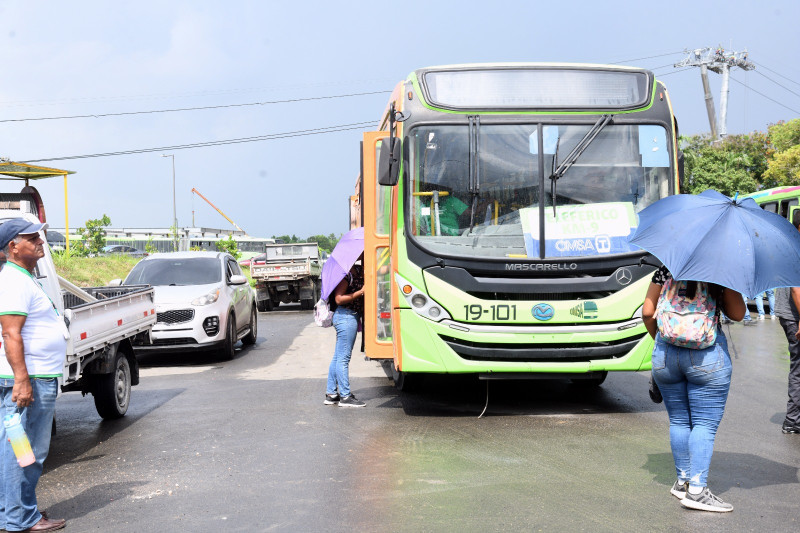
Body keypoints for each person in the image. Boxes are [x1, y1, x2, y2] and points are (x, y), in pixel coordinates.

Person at [643, 266, 745, 513]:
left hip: (666, 354)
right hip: (707, 356)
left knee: (678, 420)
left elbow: (647, 312)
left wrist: (662, 341)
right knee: (704, 424)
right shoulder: (721, 270)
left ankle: (682, 482)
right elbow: (739, 314)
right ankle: (697, 492)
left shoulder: (665, 268)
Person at [0, 218, 67, 532]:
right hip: (30, 381)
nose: (41, 240)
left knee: (18, 450)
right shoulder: (14, 281)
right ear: (13, 246)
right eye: (32, 237)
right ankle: (20, 519)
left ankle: (14, 512)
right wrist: (22, 380)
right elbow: (11, 334)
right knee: (25, 452)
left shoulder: (21, 278)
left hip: (33, 377)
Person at [324, 260, 366, 407]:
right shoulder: (346, 275)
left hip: (349, 316)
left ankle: (331, 394)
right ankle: (345, 396)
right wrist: (361, 292)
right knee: (343, 358)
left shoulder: (359, 270)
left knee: (338, 356)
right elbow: (339, 299)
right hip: (346, 316)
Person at [774, 217, 800, 435]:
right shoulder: (796, 248)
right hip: (795, 317)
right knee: (798, 368)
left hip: (792, 315)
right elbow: (796, 290)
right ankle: (793, 421)